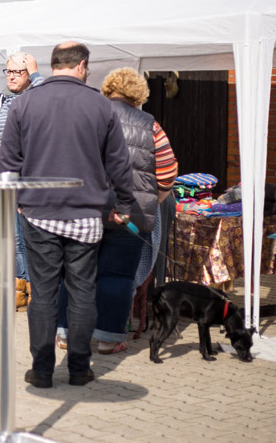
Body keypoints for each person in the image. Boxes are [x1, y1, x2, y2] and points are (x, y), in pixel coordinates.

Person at [0, 42, 135, 388]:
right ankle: (78, 367)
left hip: (38, 212)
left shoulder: (24, 102)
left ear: (53, 64)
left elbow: (8, 161)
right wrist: (123, 206)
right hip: (86, 213)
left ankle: (43, 369)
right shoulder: (100, 106)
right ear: (82, 66)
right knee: (82, 291)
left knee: (43, 292)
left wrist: (14, 198)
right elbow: (119, 164)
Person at [92, 67, 177, 354]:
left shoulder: (92, 118)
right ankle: (107, 340)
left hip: (90, 209)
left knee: (80, 272)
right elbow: (168, 172)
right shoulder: (150, 125)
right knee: (117, 277)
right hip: (132, 214)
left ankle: (68, 333)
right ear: (139, 94)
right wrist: (153, 199)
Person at [0, 52, 44, 314]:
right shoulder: (0, 99)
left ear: (30, 73)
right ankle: (19, 290)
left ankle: (31, 291)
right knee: (11, 237)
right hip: (3, 176)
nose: (10, 76)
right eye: (7, 71)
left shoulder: (37, 98)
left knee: (28, 236)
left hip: (26, 177)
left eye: (17, 72)